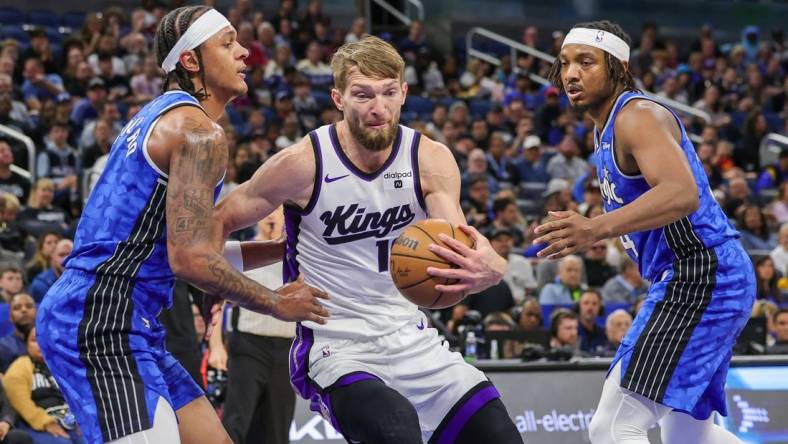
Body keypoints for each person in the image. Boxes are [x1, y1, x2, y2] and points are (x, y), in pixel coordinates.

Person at [35, 7, 329, 444]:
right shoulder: (198, 133)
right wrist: (274, 302)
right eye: (228, 43)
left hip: (127, 319)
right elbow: (190, 259)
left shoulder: (159, 115)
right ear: (191, 61)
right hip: (102, 318)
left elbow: (186, 248)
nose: (244, 52)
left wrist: (284, 248)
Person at [214, 36, 522, 444]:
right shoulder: (302, 164)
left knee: (500, 436)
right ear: (338, 98)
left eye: (388, 93)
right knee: (396, 430)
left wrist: (491, 267)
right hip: (336, 346)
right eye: (363, 95)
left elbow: (459, 250)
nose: (378, 108)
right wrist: (258, 293)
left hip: (410, 336)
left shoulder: (429, 159)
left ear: (404, 92)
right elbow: (211, 230)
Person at [536, 20, 755, 443]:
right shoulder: (606, 128)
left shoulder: (635, 116)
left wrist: (594, 228)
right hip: (705, 276)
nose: (571, 74)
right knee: (687, 434)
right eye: (565, 63)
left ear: (618, 67)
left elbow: (681, 193)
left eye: (586, 62)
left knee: (614, 426)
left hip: (700, 276)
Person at [3, 327, 85, 444]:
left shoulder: (62, 365)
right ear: (27, 345)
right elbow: (21, 404)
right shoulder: (18, 369)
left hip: (71, 421)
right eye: (34, 340)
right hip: (35, 424)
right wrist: (46, 423)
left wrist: (83, 419)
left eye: (45, 339)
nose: (40, 344)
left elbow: (79, 396)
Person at [28, 239, 72, 303]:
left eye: (70, 254)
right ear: (53, 257)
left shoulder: (86, 280)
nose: (66, 259)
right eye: (61, 255)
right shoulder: (40, 284)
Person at [0, 293, 35, 372]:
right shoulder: (3, 347)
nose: (24, 310)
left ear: (36, 312)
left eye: (29, 306)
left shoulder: (48, 342)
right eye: (17, 308)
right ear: (11, 317)